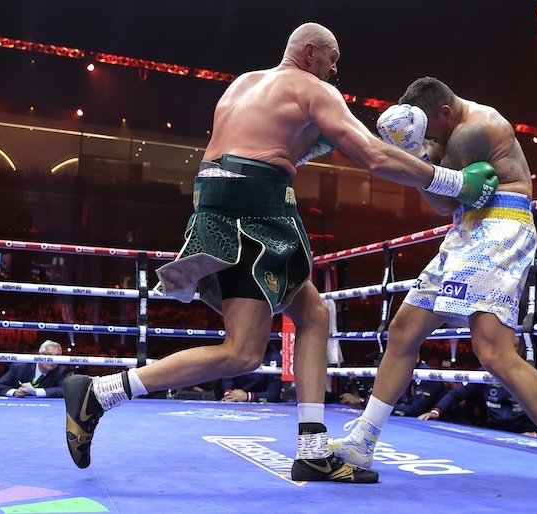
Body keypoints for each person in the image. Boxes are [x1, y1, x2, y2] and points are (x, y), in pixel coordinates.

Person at [62, 23, 498, 484]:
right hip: (254, 208)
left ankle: (312, 450)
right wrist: (454, 182)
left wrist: (315, 144)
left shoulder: (244, 84)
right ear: (309, 52)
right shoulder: (313, 89)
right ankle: (101, 392)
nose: (334, 70)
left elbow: (267, 147)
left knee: (314, 314)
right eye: (332, 58)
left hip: (223, 199)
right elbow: (373, 157)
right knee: (242, 353)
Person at [329, 77, 537, 502]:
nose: (431, 140)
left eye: (431, 132)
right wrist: (419, 154)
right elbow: (446, 200)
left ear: (444, 111)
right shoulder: (448, 130)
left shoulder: (471, 132)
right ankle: (362, 443)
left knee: (493, 351)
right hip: (466, 231)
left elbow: (443, 200)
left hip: (501, 227)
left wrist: (414, 155)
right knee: (402, 332)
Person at [417, 339, 537, 436]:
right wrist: (435, 412)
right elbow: (457, 394)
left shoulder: (531, 375)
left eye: (514, 347)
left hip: (523, 432)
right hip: (494, 429)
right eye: (506, 347)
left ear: (521, 350)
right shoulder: (486, 372)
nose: (508, 352)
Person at [339, 353, 446, 418]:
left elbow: (414, 410)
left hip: (444, 421)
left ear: (416, 357)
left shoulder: (426, 376)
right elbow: (394, 400)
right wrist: (365, 401)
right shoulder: (402, 371)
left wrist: (379, 407)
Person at [0, 340, 67, 398]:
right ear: (39, 355)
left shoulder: (60, 371)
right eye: (49, 355)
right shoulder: (20, 367)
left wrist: (35, 392)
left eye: (57, 356)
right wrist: (14, 392)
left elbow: (63, 391)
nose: (53, 360)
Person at [214, 342, 283, 402]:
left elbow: (273, 395)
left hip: (259, 404)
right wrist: (229, 394)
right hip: (233, 399)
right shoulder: (237, 351)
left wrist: (248, 396)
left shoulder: (275, 357)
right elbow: (227, 376)